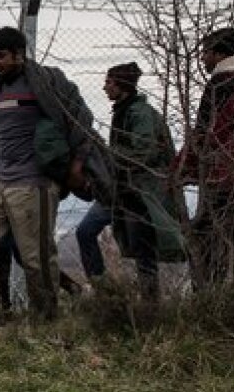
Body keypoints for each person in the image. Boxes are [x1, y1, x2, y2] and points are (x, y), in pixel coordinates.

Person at [0, 26, 98, 319]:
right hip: (0, 180)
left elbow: (81, 120)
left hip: (33, 182)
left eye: (1, 56)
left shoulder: (48, 81)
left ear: (19, 54)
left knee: (36, 260)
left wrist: (77, 164)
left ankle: (46, 319)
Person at [74, 63, 180, 300]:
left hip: (137, 192)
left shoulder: (138, 113)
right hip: (121, 189)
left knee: (144, 251)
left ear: (122, 84)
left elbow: (145, 152)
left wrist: (108, 156)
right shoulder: (126, 110)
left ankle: (149, 304)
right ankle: (105, 293)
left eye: (109, 82)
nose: (104, 87)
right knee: (86, 232)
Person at [176, 27, 234, 288]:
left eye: (205, 53)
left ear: (219, 54)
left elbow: (206, 133)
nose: (203, 59)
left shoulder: (221, 83)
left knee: (207, 243)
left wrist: (181, 170)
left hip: (225, 177)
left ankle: (208, 302)